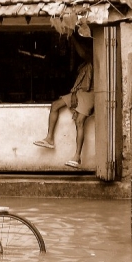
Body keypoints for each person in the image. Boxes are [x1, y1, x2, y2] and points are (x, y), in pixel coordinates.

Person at [33, 38, 94, 168]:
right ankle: (49, 139)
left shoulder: (93, 58)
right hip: (78, 93)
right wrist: (73, 94)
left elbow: (83, 53)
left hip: (91, 93)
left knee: (79, 121)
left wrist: (72, 37)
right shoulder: (84, 65)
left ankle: (77, 157)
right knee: (55, 105)